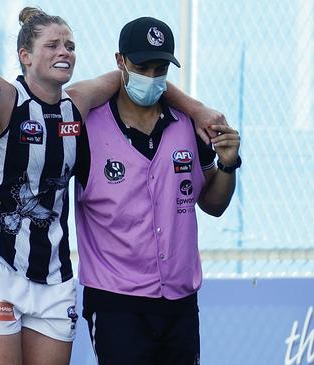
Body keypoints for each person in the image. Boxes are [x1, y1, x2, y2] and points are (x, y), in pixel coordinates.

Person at [74, 17, 240, 364]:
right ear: (120, 62)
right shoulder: (87, 128)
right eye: (142, 66)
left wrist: (226, 164)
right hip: (116, 301)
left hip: (180, 302)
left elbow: (213, 203)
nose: (151, 77)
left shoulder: (191, 126)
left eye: (160, 67)